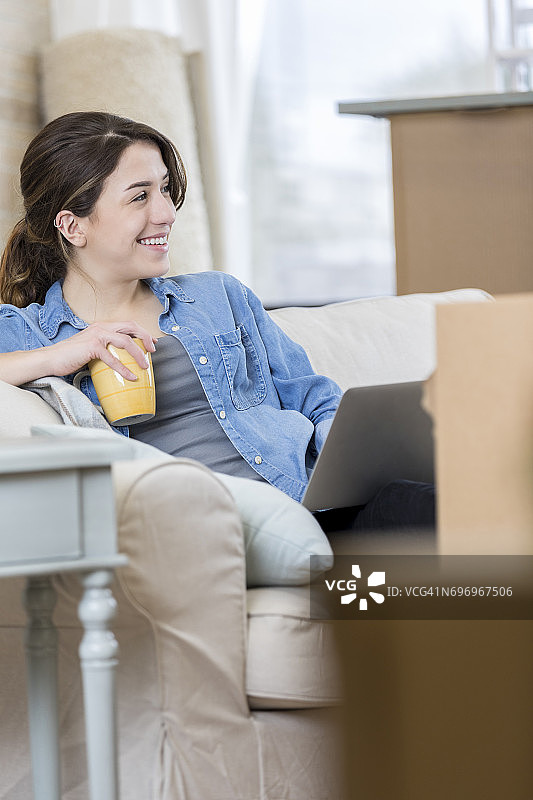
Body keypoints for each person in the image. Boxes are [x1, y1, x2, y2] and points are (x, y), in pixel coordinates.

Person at [0, 111, 434, 533]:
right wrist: (58, 355)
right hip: (212, 533)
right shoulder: (31, 332)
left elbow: (311, 397)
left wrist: (355, 454)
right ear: (73, 227)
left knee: (440, 500)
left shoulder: (218, 296)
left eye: (166, 190)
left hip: (310, 501)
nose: (167, 213)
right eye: (139, 196)